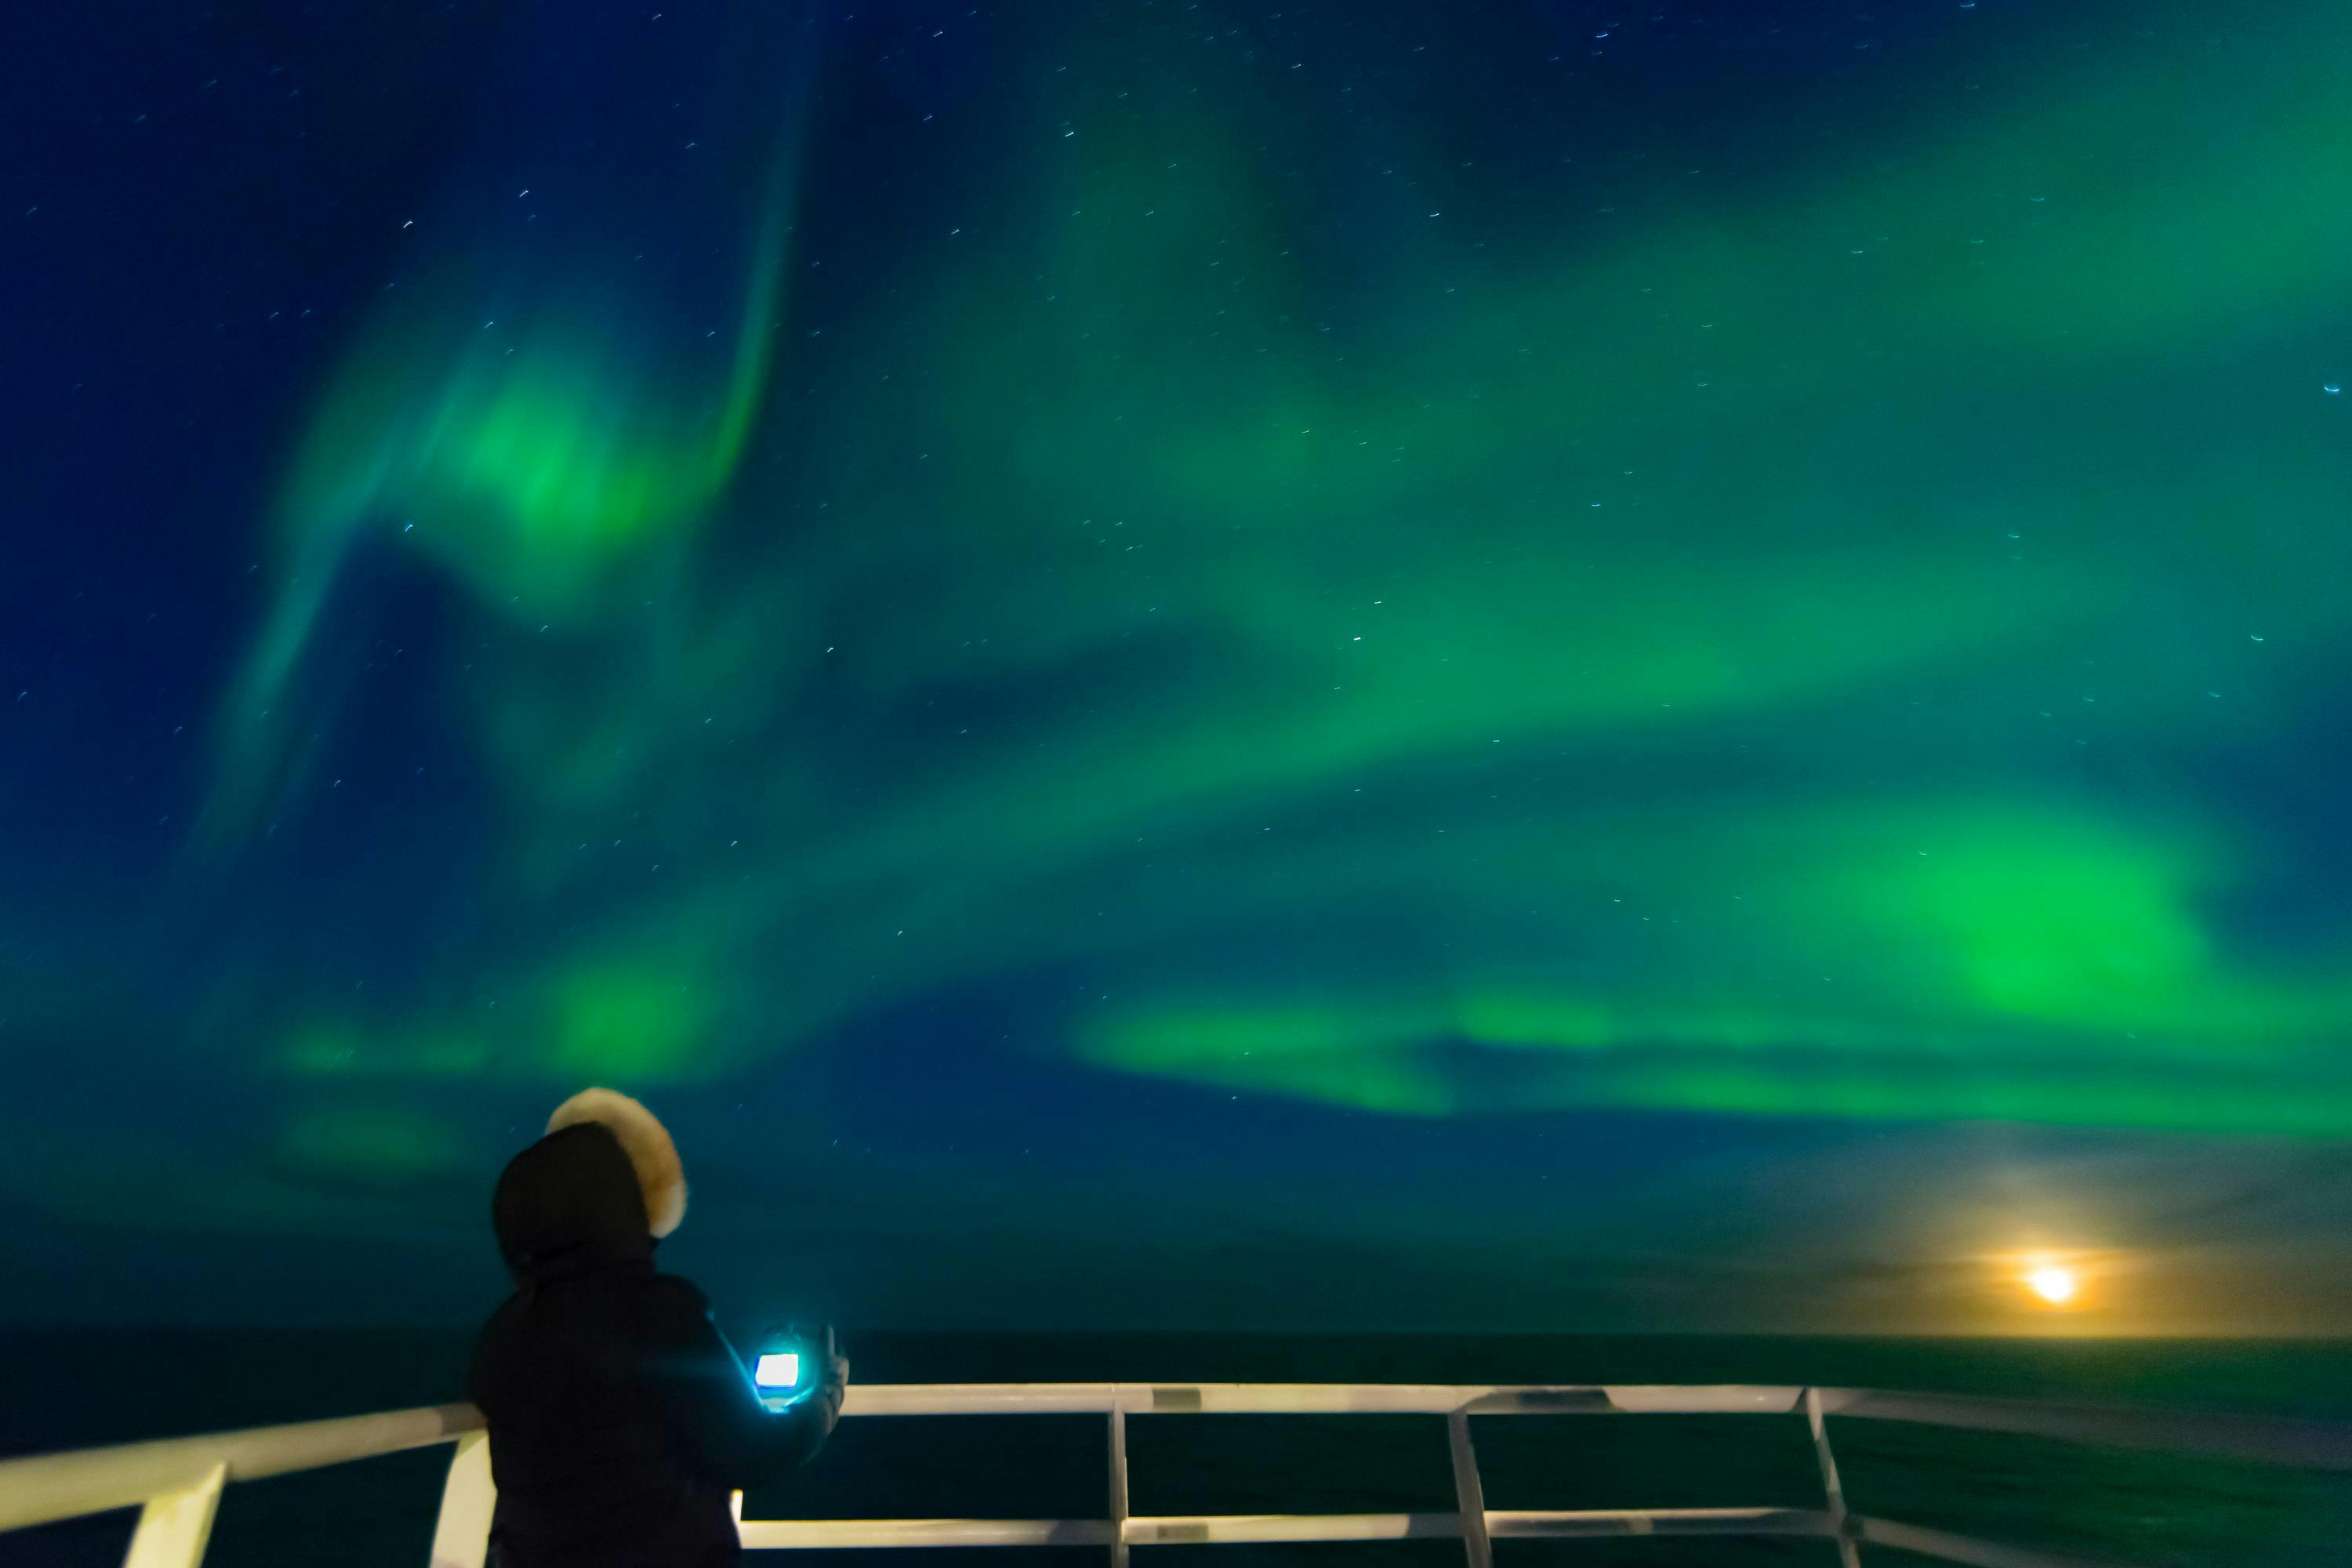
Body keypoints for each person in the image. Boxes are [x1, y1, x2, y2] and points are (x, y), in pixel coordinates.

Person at [469, 1088, 848, 1567]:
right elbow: (754, 1454)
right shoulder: (657, 1311)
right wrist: (824, 1403)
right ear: (624, 1205)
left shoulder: (503, 1333)